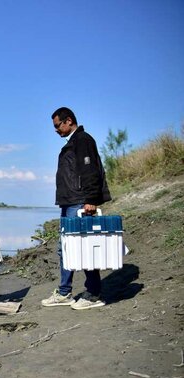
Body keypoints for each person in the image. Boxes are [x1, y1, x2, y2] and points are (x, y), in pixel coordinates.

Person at [42, 107, 111, 310]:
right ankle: (64, 292)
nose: (55, 130)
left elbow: (91, 171)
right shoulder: (72, 142)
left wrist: (90, 199)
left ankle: (93, 293)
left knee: (84, 247)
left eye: (57, 126)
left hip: (80, 201)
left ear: (68, 121)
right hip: (69, 201)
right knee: (65, 248)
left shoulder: (83, 140)